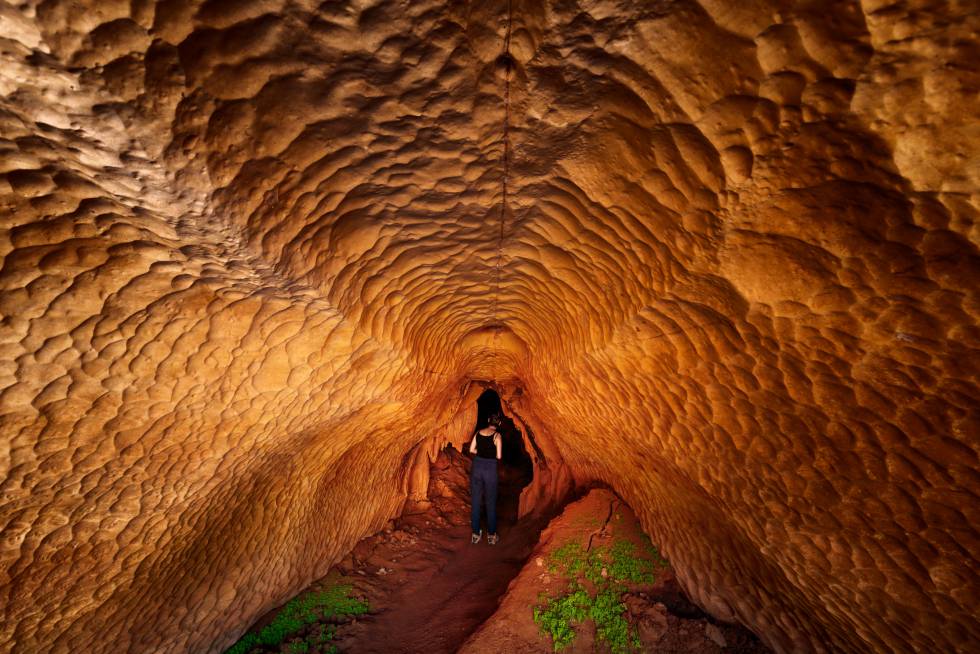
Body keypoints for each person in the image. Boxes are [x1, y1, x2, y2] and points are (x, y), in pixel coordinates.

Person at [469, 412, 503, 545]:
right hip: (490, 469)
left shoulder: (478, 433)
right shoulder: (497, 436)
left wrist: (481, 452)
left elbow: (472, 450)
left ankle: (475, 535)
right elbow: (499, 456)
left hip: (477, 467)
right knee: (490, 501)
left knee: (476, 501)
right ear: (499, 423)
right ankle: (491, 536)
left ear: (489, 420)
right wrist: (490, 453)